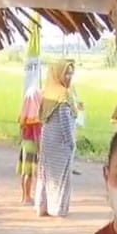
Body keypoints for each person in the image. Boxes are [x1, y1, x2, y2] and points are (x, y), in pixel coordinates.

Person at [35, 59, 80, 218]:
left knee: (45, 175)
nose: (69, 77)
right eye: (66, 73)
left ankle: (42, 206)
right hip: (61, 143)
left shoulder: (48, 92)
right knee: (61, 177)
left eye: (71, 73)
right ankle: (58, 209)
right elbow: (65, 120)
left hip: (47, 140)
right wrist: (71, 142)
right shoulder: (63, 94)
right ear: (58, 74)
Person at [17, 74, 41, 206]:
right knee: (29, 173)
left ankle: (23, 195)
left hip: (24, 144)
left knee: (24, 171)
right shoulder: (35, 118)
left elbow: (21, 132)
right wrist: (40, 149)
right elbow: (37, 136)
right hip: (32, 145)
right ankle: (27, 196)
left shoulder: (24, 115)